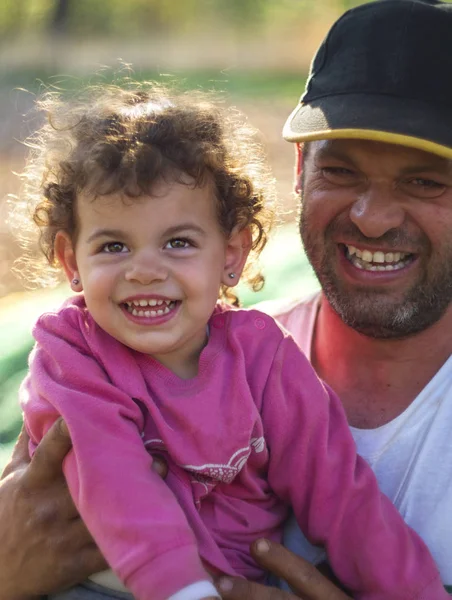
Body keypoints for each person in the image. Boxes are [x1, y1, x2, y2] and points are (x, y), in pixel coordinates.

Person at [2, 0, 452, 598]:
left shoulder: (260, 358)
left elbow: (343, 496)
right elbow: (109, 478)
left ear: (233, 252)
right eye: (341, 172)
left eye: (425, 180)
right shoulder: (72, 351)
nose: (371, 218)